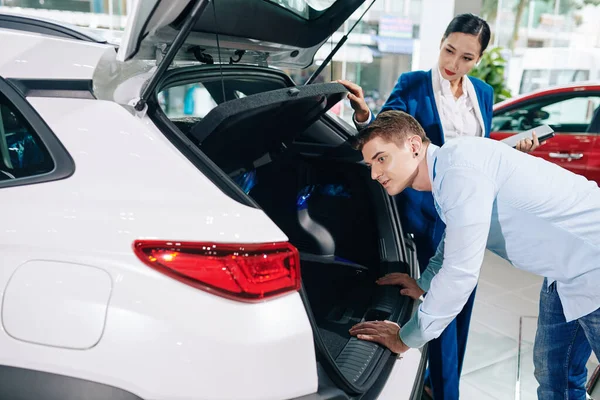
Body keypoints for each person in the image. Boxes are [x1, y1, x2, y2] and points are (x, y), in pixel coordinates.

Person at [339, 13, 538, 400]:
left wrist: (515, 146)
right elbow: (389, 133)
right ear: (441, 41)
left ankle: (442, 382)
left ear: (478, 60)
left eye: (466, 57)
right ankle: (447, 392)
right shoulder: (413, 83)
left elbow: (478, 150)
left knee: (461, 304)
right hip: (424, 214)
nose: (454, 63)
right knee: (438, 297)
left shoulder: (482, 92)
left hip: (466, 212)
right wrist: (364, 115)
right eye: (450, 50)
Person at [348, 110, 600, 400]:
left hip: (593, 262)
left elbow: (460, 272)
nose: (374, 173)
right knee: (555, 379)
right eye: (369, 164)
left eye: (382, 158)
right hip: (565, 272)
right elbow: (457, 234)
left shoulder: (459, 171)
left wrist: (406, 337)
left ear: (414, 147)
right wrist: (425, 283)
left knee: (558, 380)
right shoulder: (452, 164)